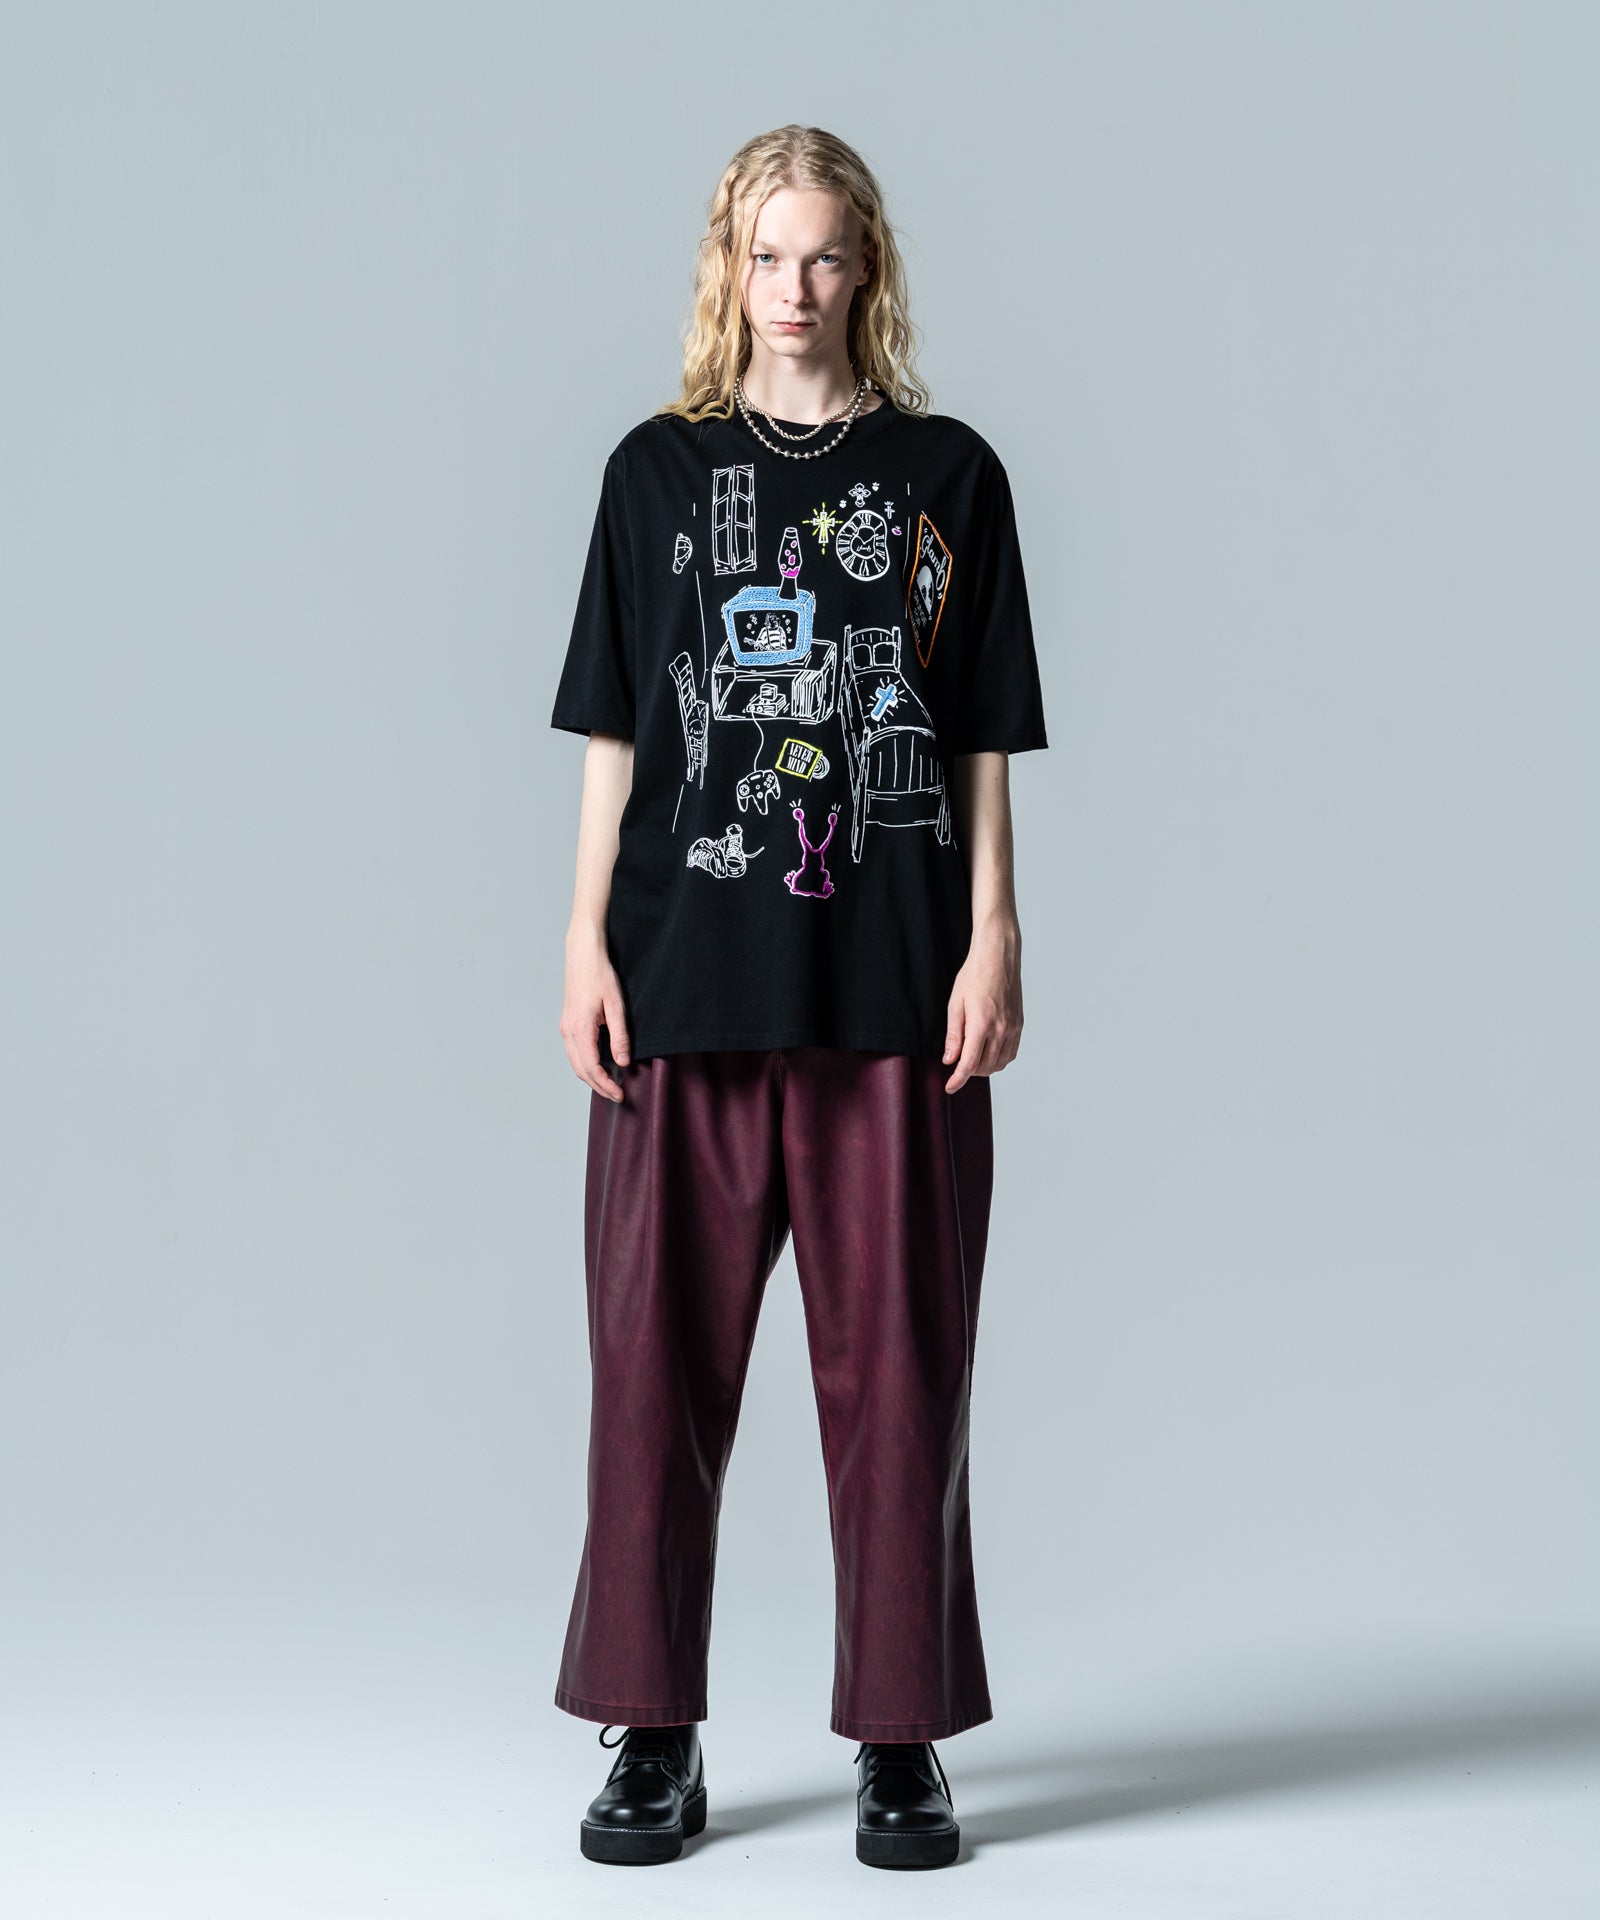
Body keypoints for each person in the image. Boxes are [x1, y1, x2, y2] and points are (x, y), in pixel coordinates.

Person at [547, 123, 1049, 1871]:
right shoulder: (654, 474)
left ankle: (900, 1741)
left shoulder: (949, 476)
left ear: (867, 269)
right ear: (728, 268)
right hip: (680, 978)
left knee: (903, 1377)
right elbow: (617, 728)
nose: (794, 288)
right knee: (648, 1372)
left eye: (825, 254)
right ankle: (651, 1730)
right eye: (766, 255)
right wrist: (580, 936)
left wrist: (996, 930)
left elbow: (980, 733)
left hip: (893, 987)